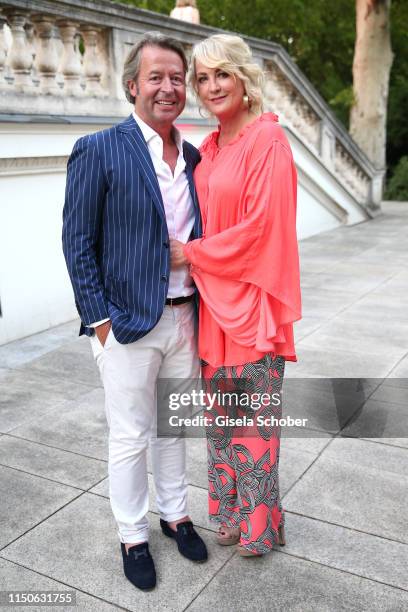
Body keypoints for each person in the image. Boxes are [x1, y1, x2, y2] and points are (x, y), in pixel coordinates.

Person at [62, 31, 207, 591]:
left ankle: (175, 515)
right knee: (130, 434)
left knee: (173, 428)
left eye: (176, 77)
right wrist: (98, 321)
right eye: (156, 77)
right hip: (126, 324)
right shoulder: (99, 149)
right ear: (132, 86)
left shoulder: (193, 157)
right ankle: (132, 535)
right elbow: (78, 241)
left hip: (185, 317)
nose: (168, 87)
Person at [171, 34, 301, 557]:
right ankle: (229, 515)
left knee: (254, 427)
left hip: (252, 302)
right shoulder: (208, 148)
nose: (211, 86)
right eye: (202, 78)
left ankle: (260, 527)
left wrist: (192, 254)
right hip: (212, 307)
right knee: (221, 424)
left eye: (221, 73)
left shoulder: (268, 141)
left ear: (244, 79)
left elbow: (262, 229)